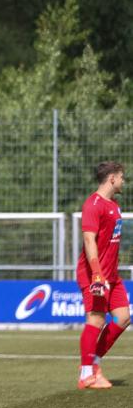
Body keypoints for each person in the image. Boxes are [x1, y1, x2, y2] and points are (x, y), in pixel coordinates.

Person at [76, 161, 128, 390]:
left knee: (124, 317)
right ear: (112, 179)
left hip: (112, 275)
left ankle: (94, 362)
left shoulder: (114, 206)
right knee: (96, 320)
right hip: (94, 275)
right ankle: (86, 374)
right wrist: (97, 274)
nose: (124, 181)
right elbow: (89, 241)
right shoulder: (92, 204)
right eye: (122, 177)